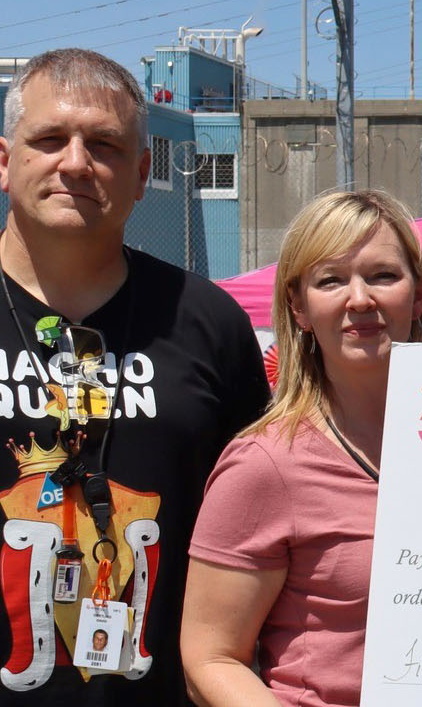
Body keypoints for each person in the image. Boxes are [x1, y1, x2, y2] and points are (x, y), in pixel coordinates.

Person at [0, 49, 269, 705]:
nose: (74, 162)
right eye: (48, 139)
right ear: (4, 161)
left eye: (104, 144)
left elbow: (266, 527)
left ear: (143, 171)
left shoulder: (207, 322)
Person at [181, 190, 422, 707]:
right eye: (331, 280)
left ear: (417, 296)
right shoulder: (265, 464)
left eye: (384, 276)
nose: (360, 298)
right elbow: (210, 658)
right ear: (298, 307)